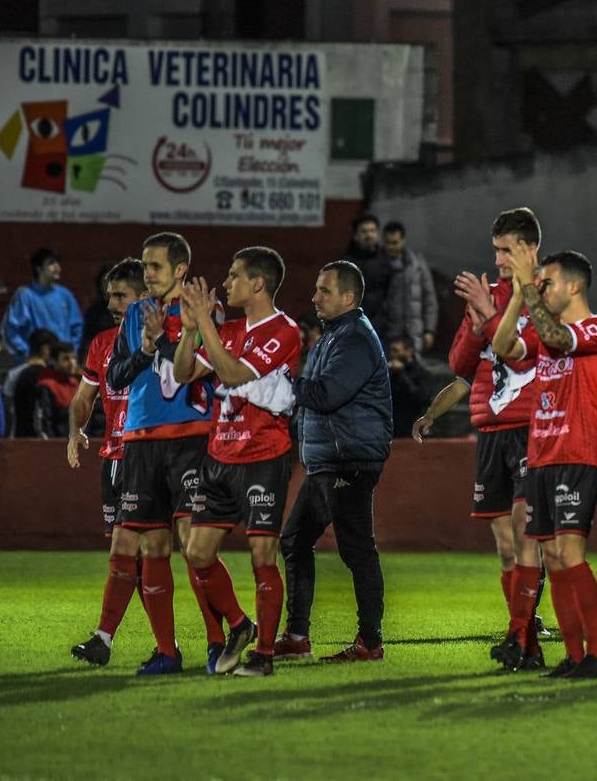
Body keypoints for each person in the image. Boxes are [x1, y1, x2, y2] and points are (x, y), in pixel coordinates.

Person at [172, 247, 302, 678]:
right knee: (197, 551)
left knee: (262, 553)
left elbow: (231, 375)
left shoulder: (283, 331)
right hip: (219, 454)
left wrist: (205, 323)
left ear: (257, 284)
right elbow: (183, 374)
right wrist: (191, 330)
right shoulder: (224, 329)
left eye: (233, 276)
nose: (226, 284)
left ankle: (263, 655)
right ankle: (239, 624)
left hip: (263, 456)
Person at [491, 247, 597, 679]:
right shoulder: (546, 334)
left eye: (548, 282)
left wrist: (528, 288)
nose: (541, 289)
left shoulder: (596, 329)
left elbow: (559, 340)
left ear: (574, 285)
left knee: (569, 552)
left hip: (576, 454)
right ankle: (572, 655)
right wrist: (516, 296)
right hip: (542, 456)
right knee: (551, 555)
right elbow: (503, 345)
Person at [97, 232, 221, 676]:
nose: (147, 274)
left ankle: (218, 641)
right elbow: (117, 374)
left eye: (155, 267)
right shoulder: (134, 315)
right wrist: (146, 344)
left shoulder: (204, 308)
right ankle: (167, 651)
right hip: (139, 438)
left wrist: (167, 338)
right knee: (149, 544)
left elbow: (193, 368)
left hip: (190, 436)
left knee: (193, 546)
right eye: (145, 266)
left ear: (180, 269)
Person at [268, 261, 393, 663]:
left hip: (348, 461)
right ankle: (298, 635)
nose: (314, 297)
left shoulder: (354, 338)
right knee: (295, 539)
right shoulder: (334, 336)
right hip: (329, 460)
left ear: (348, 298)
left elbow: (326, 395)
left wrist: (278, 383)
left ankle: (370, 642)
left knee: (357, 550)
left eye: (324, 290)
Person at [445, 207, 547, 670]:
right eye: (496, 251)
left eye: (507, 250)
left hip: (531, 427)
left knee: (528, 535)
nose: (500, 259)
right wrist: (477, 318)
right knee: (506, 546)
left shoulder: (546, 294)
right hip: (490, 430)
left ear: (530, 249)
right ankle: (526, 642)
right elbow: (459, 363)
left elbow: (530, 359)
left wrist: (488, 318)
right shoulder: (488, 294)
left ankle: (518, 636)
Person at [67, 258, 147, 666]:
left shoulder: (158, 340)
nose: (113, 302)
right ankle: (107, 638)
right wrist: (74, 431)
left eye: (121, 295)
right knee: (131, 553)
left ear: (143, 297)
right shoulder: (101, 343)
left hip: (149, 456)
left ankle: (225, 631)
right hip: (114, 459)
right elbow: (84, 397)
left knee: (168, 550)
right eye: (110, 295)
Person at [2, 246, 83, 360]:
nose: (57, 267)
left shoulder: (65, 295)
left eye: (57, 263)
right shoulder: (25, 295)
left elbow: (77, 327)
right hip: (37, 362)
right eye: (51, 263)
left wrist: (70, 352)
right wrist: (28, 353)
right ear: (38, 268)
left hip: (61, 362)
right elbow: (11, 330)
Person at [383, 221, 439, 353]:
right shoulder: (379, 265)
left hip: (413, 335)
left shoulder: (417, 265)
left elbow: (429, 298)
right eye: (388, 242)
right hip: (388, 334)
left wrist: (429, 330)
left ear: (403, 240)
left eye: (395, 242)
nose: (391, 247)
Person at [344, 214, 394, 339]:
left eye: (372, 231)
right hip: (354, 328)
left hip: (382, 328)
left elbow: (392, 294)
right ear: (356, 236)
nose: (369, 235)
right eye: (364, 231)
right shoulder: (347, 264)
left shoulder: (386, 261)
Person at [7, 328, 58, 437]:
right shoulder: (48, 375)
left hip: (19, 434)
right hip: (41, 437)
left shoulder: (14, 373)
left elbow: (9, 408)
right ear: (45, 349)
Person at [387, 337, 433, 438]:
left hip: (412, 425)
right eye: (391, 351)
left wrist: (401, 374)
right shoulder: (387, 373)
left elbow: (420, 398)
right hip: (391, 426)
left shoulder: (422, 374)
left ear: (409, 351)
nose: (392, 355)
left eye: (396, 351)